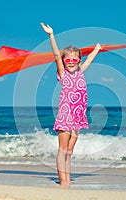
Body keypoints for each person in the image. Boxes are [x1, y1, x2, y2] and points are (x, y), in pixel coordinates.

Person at [41, 22, 101, 186]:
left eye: (75, 59)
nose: (71, 61)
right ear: (64, 61)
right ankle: (63, 180)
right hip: (66, 116)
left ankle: (67, 177)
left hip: (78, 117)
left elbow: (90, 59)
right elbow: (55, 55)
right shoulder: (62, 73)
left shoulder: (81, 71)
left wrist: (96, 49)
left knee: (69, 151)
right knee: (62, 149)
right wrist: (51, 35)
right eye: (68, 59)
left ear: (79, 61)